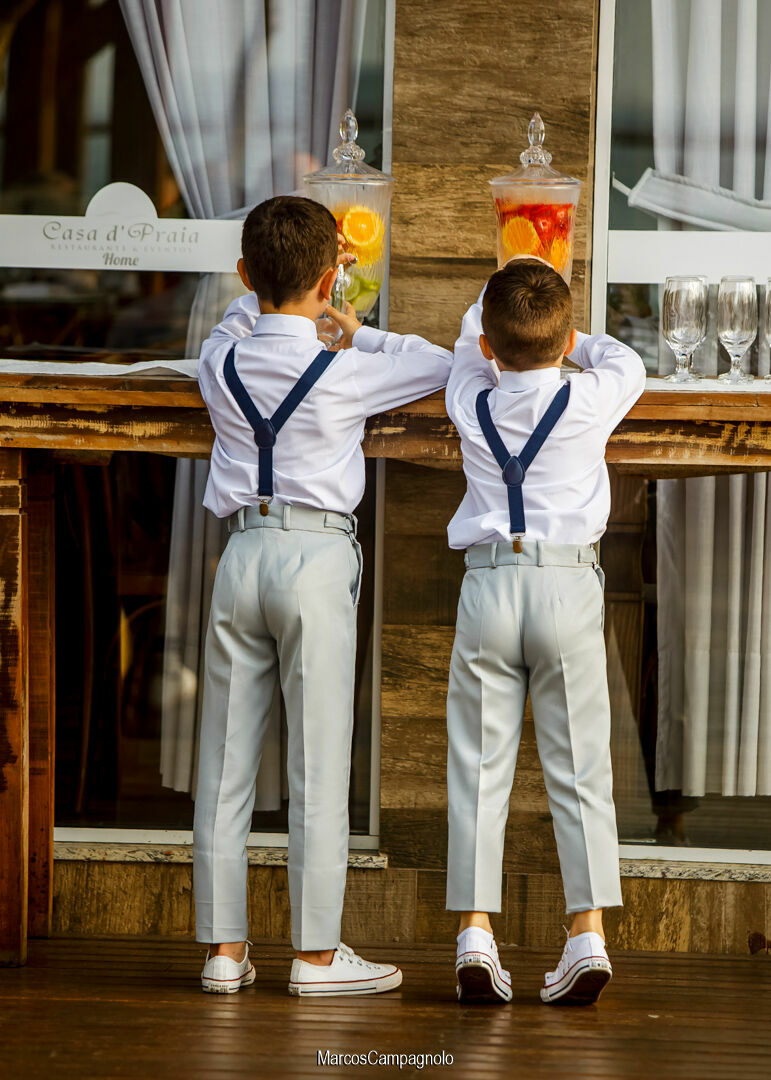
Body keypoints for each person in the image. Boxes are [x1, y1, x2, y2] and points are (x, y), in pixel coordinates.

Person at [193, 194, 452, 996]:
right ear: (334, 273)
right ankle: (312, 957)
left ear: (244, 273)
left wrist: (273, 290)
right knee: (316, 758)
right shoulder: (343, 370)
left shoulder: (219, 359)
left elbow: (242, 313)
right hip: (313, 557)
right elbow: (441, 362)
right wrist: (350, 321)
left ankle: (223, 952)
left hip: (240, 555)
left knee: (224, 764)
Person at [443, 257, 646, 1005]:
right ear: (564, 343)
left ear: (493, 349)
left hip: (490, 585)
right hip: (566, 586)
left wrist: (499, 321)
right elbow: (622, 356)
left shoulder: (469, 395)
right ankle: (585, 933)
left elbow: (471, 335)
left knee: (477, 766)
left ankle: (474, 933)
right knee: (580, 768)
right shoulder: (593, 398)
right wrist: (568, 335)